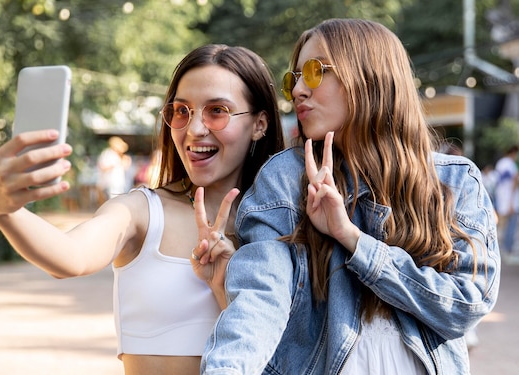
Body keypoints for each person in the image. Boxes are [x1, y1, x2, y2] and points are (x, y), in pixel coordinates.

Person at [200, 19, 500, 375]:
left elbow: (466, 304)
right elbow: (260, 299)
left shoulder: (453, 180)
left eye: (313, 72)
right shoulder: (286, 178)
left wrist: (353, 240)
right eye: (292, 79)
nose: (297, 90)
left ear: (370, 76)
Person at [0, 44, 284, 375]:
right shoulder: (141, 212)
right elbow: (70, 256)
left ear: (259, 124)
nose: (194, 129)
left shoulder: (284, 227)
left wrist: (225, 291)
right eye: (182, 110)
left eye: (217, 110)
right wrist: (4, 212)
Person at [494, 145, 519, 256]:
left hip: (501, 199)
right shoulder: (510, 164)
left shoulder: (500, 163)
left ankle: (500, 250)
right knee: (510, 225)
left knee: (500, 226)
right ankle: (506, 249)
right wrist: (511, 203)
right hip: (510, 201)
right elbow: (515, 181)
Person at [96, 136, 132, 201]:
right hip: (110, 182)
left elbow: (125, 167)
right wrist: (114, 165)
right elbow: (102, 167)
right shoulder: (107, 154)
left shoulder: (118, 155)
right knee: (112, 201)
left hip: (118, 183)